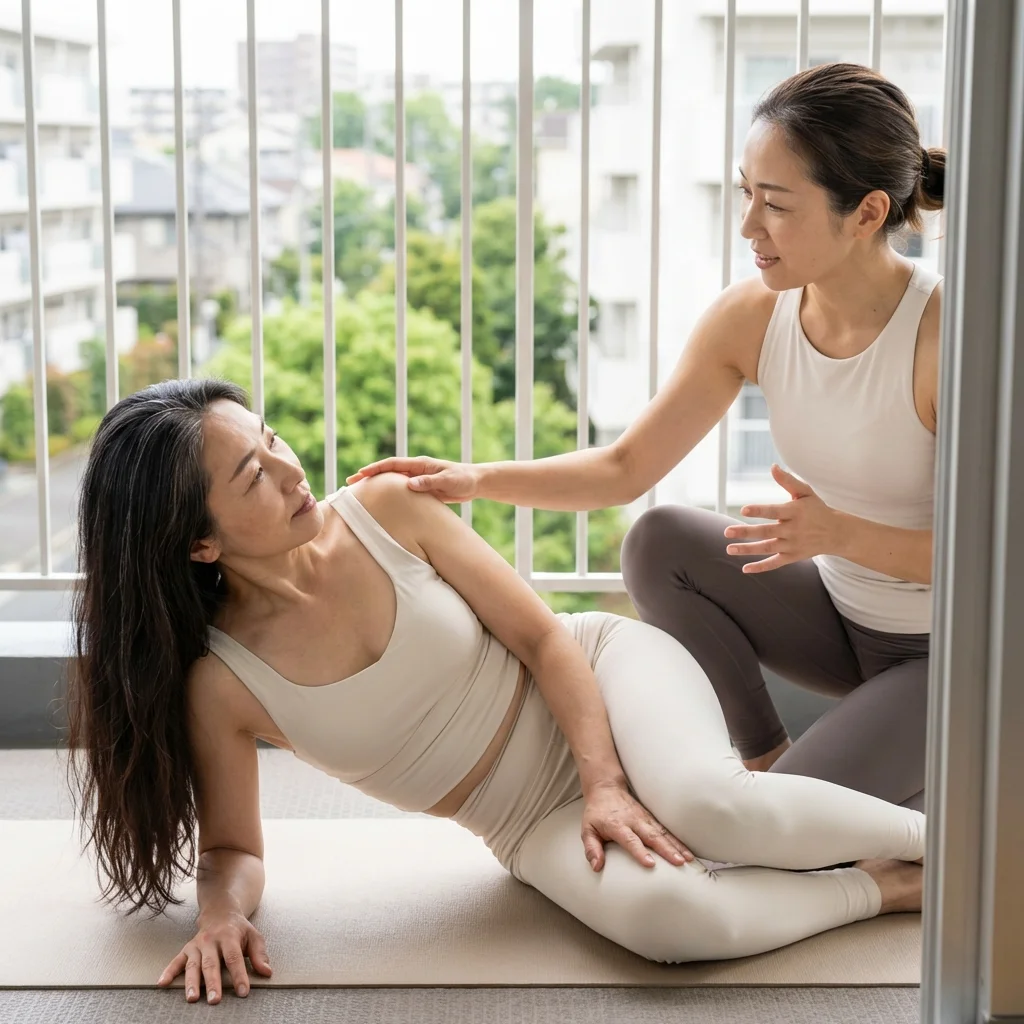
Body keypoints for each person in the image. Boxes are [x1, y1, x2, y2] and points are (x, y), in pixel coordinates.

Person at [66, 378, 923, 1006]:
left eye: (274, 441)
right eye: (252, 477)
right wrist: (218, 916)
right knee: (671, 926)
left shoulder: (386, 508)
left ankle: (960, 849)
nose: (292, 473)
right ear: (199, 546)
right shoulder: (223, 683)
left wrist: (606, 783)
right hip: (523, 822)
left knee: (712, 808)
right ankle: (889, 886)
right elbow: (234, 853)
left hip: (600, 676)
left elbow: (544, 635)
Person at [351, 62, 944, 815]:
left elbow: (995, 563)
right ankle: (765, 760)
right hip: (838, 620)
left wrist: (840, 533)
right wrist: (475, 478)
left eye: (777, 205)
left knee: (772, 844)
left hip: (946, 653)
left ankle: (902, 842)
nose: (748, 227)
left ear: (866, 213)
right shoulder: (753, 318)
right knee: (660, 541)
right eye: (746, 194)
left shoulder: (943, 338)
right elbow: (625, 468)